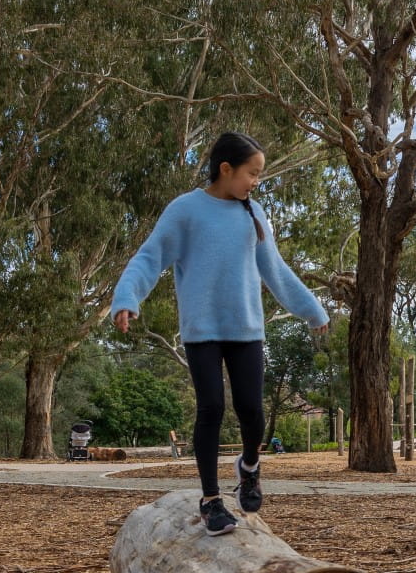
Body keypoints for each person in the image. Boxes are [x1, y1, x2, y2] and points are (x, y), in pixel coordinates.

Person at [111, 132, 329, 536]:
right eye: (252, 173)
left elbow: (275, 270)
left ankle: (248, 466)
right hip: (202, 330)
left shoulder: (254, 213)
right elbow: (150, 256)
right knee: (211, 407)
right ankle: (211, 500)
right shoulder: (186, 211)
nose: (255, 182)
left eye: (259, 176)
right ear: (225, 169)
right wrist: (127, 297)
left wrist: (311, 309)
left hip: (246, 328)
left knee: (253, 413)